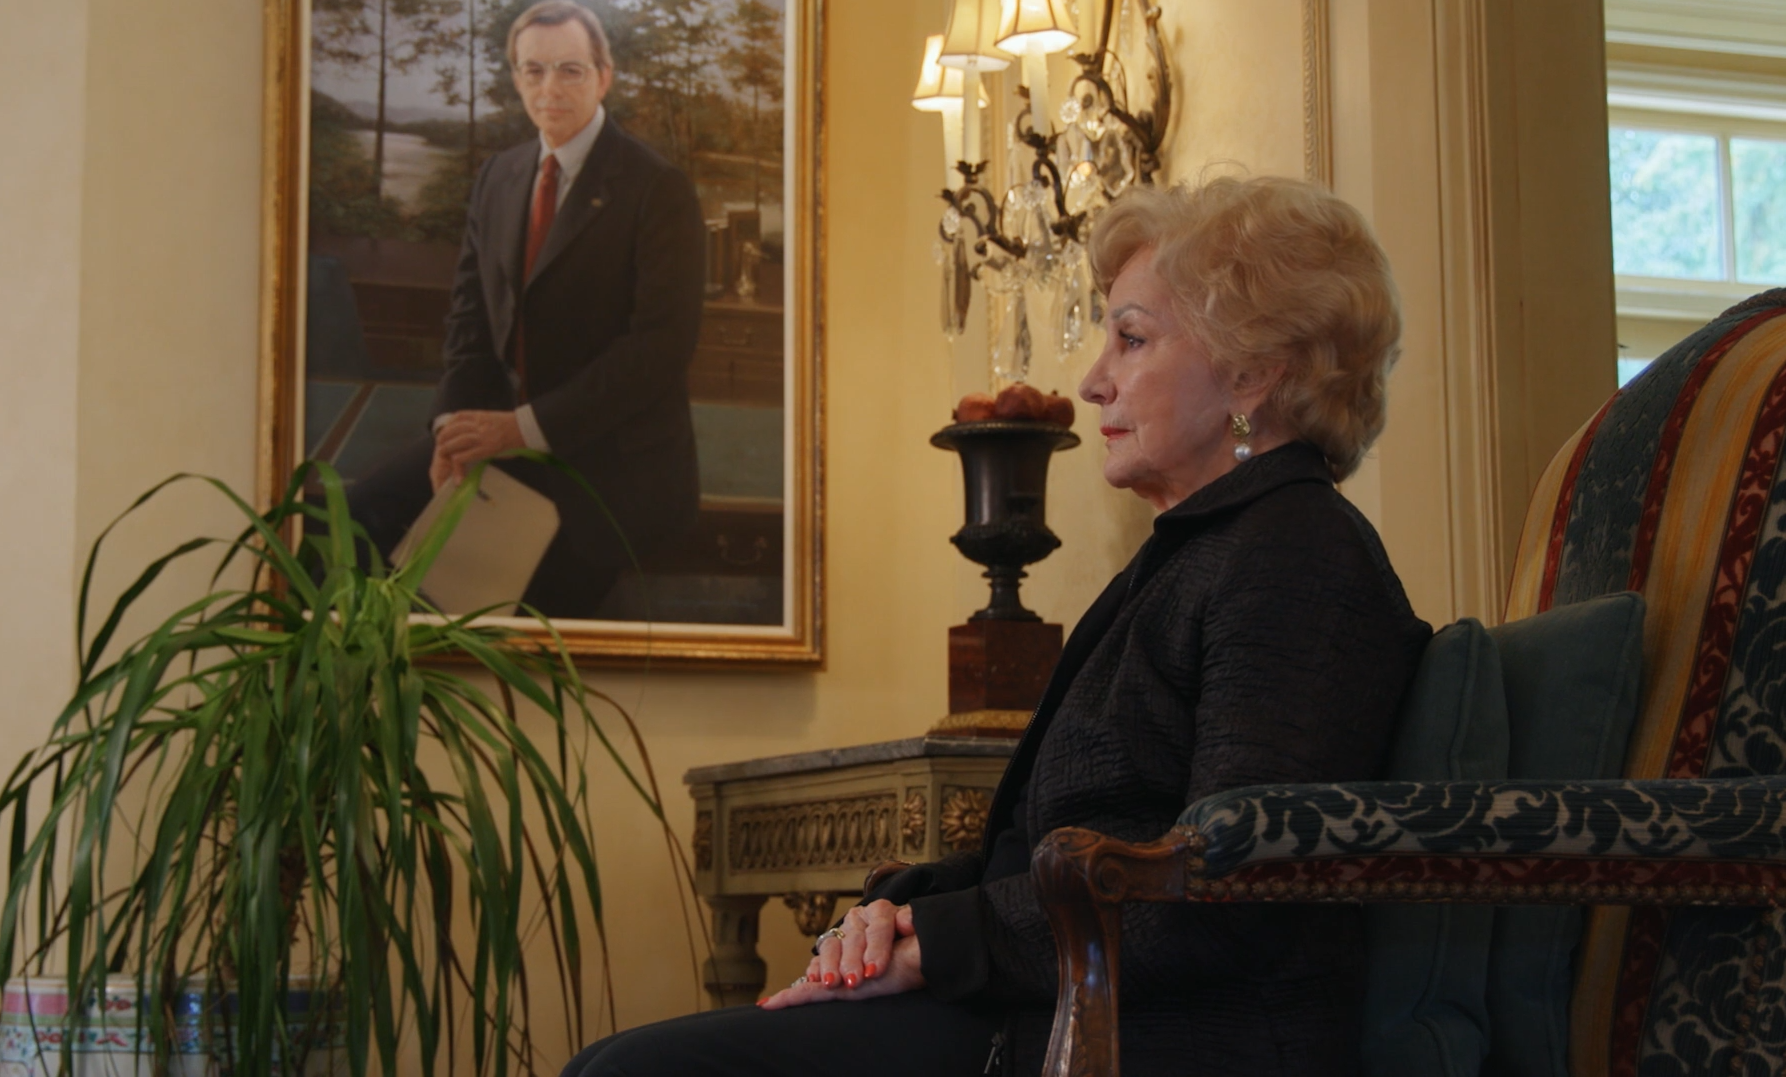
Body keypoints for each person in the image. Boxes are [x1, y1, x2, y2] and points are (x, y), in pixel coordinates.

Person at [562, 176, 1433, 1076]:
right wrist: (900, 912)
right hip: (1047, 1012)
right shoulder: (1196, 553)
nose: (1093, 381)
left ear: (1253, 370)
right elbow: (1043, 850)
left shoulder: (1295, 555)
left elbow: (1225, 886)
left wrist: (937, 944)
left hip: (1154, 1040)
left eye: (1131, 339)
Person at [347, 0, 705, 617]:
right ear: (516, 78)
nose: (549, 88)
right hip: (501, 445)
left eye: (569, 70)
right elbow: (468, 325)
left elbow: (658, 352)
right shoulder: (499, 177)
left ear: (604, 75)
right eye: (533, 71)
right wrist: (451, 432)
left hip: (606, 465)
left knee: (511, 619)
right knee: (349, 520)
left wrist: (521, 428)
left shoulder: (658, 188)